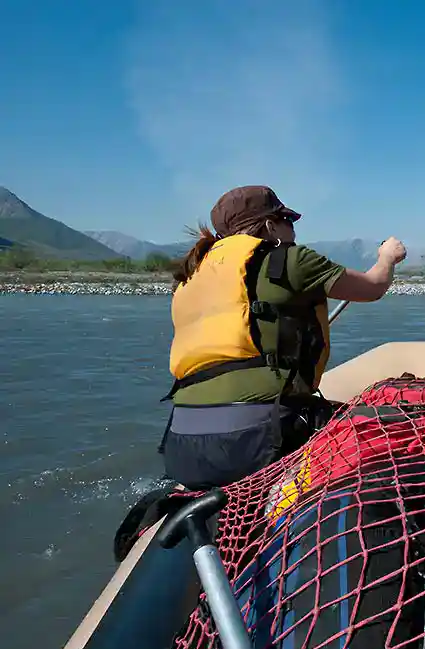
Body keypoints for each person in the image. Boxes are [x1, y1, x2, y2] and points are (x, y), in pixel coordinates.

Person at [159, 185, 407, 490]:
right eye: (288, 220)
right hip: (256, 442)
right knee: (400, 429)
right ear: (269, 225)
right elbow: (373, 286)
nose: (293, 230)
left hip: (182, 447)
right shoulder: (291, 260)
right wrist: (388, 257)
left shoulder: (190, 275)